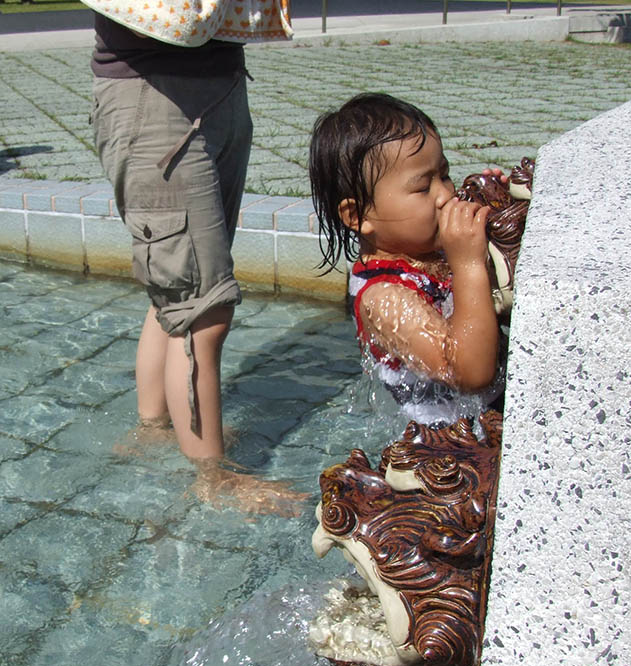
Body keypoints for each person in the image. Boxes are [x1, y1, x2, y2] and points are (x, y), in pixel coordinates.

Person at [90, 15, 305, 514]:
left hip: (220, 80)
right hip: (153, 93)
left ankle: (154, 429)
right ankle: (215, 479)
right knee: (200, 306)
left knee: (176, 286)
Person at [309, 92, 505, 427]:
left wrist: (501, 216)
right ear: (357, 216)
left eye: (443, 175)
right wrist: (469, 266)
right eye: (422, 188)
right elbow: (470, 373)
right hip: (443, 458)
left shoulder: (429, 252)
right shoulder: (383, 298)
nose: (445, 195)